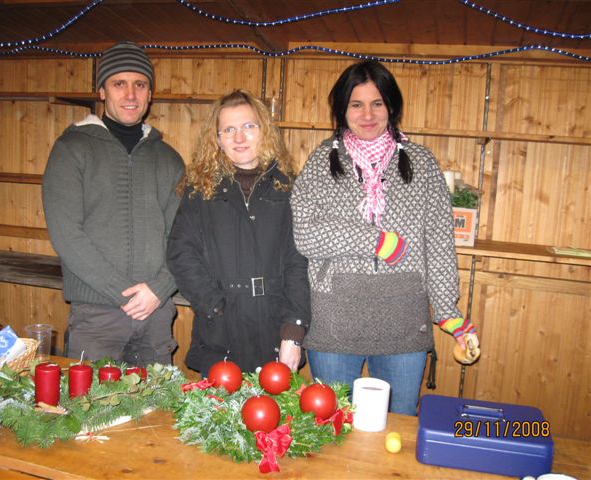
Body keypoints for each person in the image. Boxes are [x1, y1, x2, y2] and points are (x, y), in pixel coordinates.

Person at [290, 60, 479, 415]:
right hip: (334, 319)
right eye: (356, 104)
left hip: (403, 320)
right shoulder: (320, 163)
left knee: (398, 426)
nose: (367, 115)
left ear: (391, 106)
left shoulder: (422, 164)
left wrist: (447, 312)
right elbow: (305, 234)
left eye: (377, 103)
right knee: (331, 425)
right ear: (342, 109)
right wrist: (375, 241)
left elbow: (439, 244)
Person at [43, 41, 184, 366]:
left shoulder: (170, 160)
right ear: (102, 91)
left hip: (156, 312)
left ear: (150, 94)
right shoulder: (71, 149)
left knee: (156, 400)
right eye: (119, 83)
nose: (131, 94)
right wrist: (124, 293)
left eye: (140, 84)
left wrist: (160, 289)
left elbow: (183, 237)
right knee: (90, 400)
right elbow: (66, 234)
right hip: (96, 317)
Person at [166, 89, 310, 375]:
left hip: (274, 331)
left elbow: (299, 263)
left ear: (264, 131)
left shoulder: (288, 189)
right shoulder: (200, 190)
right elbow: (181, 253)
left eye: (248, 126)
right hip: (219, 332)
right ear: (217, 139)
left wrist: (293, 331)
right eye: (229, 130)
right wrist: (213, 305)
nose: (239, 138)